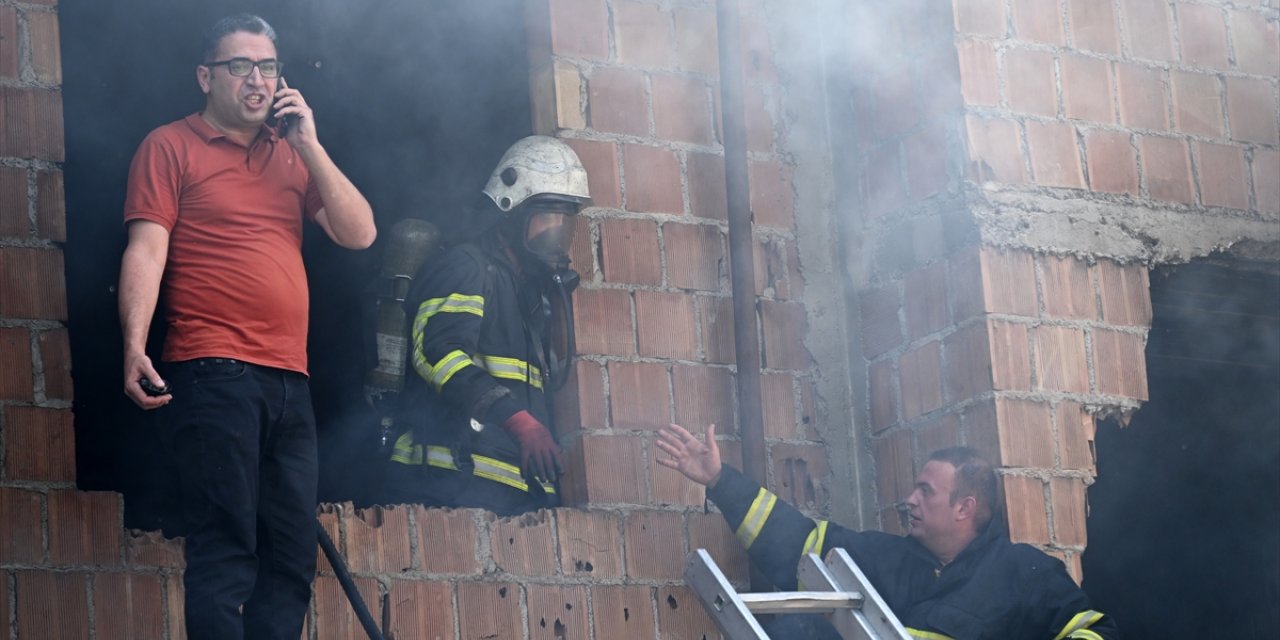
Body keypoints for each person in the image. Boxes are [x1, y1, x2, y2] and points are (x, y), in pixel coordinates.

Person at [117, 14, 375, 640]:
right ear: (206, 76)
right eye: (241, 66)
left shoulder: (291, 154)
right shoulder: (170, 145)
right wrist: (132, 346)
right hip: (213, 372)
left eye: (268, 68)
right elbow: (146, 251)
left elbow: (359, 233)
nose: (257, 80)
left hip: (289, 381)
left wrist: (309, 143)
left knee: (288, 561)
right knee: (227, 551)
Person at [657, 423, 1119, 640]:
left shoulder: (1023, 572)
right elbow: (797, 545)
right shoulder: (886, 560)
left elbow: (1098, 633)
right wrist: (721, 482)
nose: (910, 500)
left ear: (965, 507)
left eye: (925, 492)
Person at [383, 135, 589, 516]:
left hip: (504, 494)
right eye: (546, 218)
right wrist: (521, 423)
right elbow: (437, 354)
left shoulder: (529, 295)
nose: (554, 235)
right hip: (445, 482)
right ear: (510, 217)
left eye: (565, 222)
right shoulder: (468, 267)